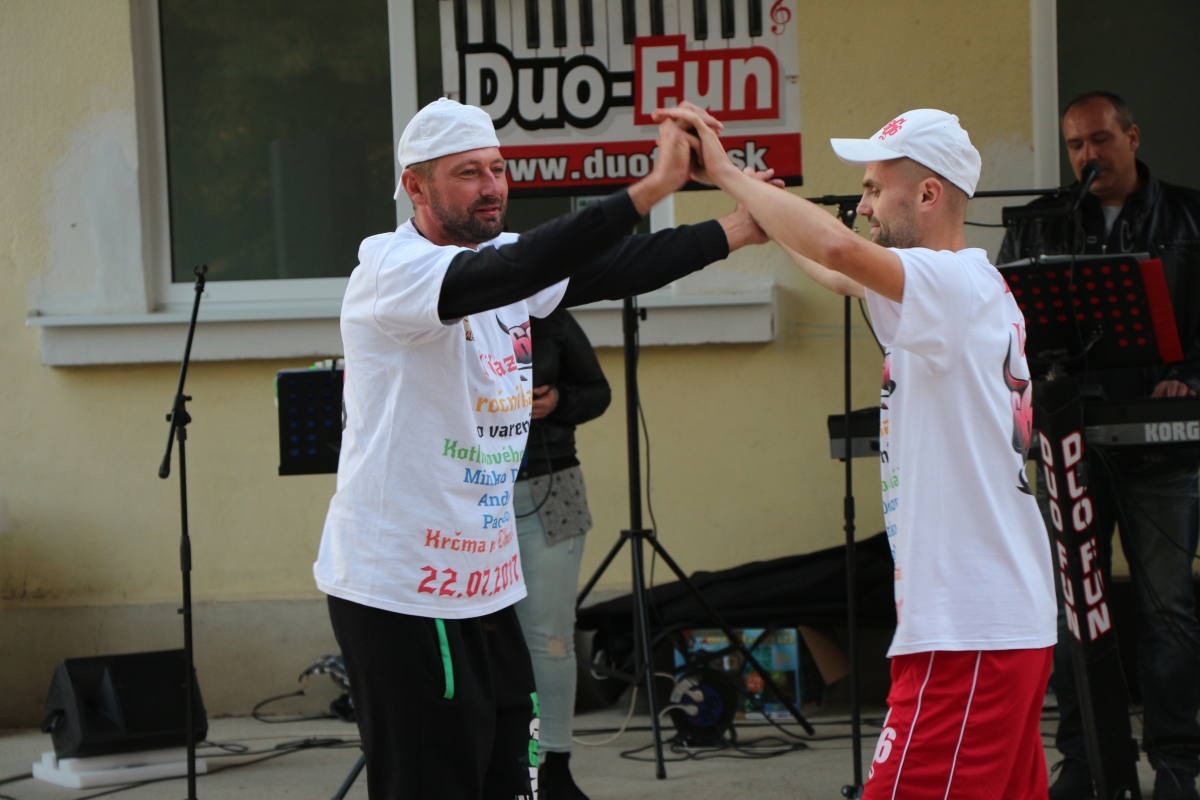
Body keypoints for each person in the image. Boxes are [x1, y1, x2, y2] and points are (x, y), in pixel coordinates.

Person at [312, 97, 772, 800]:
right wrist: (653, 187)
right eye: (468, 172)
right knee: (435, 783)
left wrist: (738, 228)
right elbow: (523, 266)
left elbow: (613, 266)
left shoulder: (506, 263)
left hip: (485, 583)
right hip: (406, 590)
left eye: (497, 169)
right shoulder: (392, 268)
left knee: (512, 778)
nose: (491, 186)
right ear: (415, 186)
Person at [658, 105, 1058, 796]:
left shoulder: (952, 285)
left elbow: (840, 251)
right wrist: (767, 213)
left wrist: (724, 171)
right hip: (984, 623)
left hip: (969, 633)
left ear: (928, 194)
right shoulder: (957, 288)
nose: (862, 206)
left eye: (874, 189)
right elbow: (838, 266)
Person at [1000, 91, 1200, 800]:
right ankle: (1084, 759)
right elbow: (1007, 331)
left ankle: (1177, 761)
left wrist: (1187, 378)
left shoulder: (1189, 217)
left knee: (1168, 607)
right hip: (1069, 440)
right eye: (1076, 145)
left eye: (1101, 140)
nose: (1088, 155)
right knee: (1070, 608)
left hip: (1162, 448)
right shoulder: (1041, 225)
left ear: (1133, 137)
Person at [512, 308, 609, 800]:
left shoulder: (549, 316)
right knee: (483, 639)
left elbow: (598, 392)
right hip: (471, 493)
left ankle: (554, 765)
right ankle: (502, 762)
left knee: (550, 638)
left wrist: (558, 400)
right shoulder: (453, 312)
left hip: (553, 486)